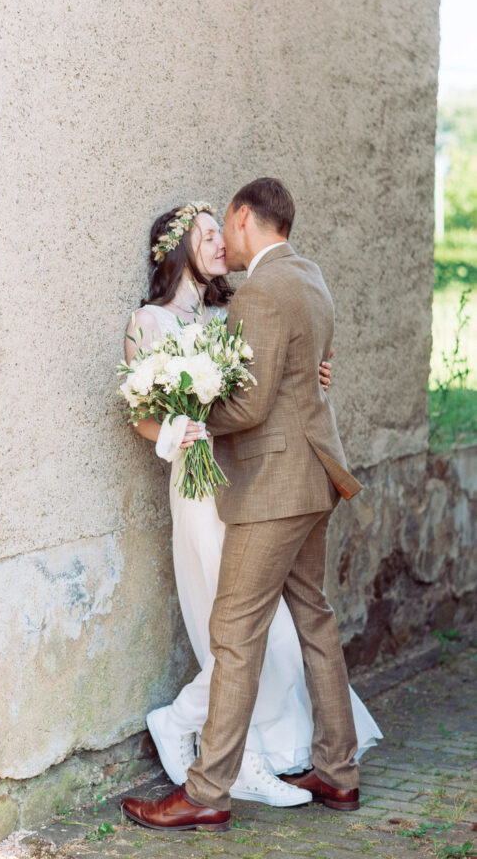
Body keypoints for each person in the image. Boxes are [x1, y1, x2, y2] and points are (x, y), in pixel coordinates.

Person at [122, 194, 380, 816]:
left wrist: (220, 405)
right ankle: (318, 770)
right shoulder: (154, 320)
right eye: (205, 234)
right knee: (283, 625)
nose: (220, 243)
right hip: (224, 484)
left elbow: (260, 396)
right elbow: (143, 412)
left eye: (222, 230)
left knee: (246, 635)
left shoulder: (244, 303)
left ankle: (207, 777)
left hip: (260, 484)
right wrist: (183, 424)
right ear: (178, 248)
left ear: (243, 220)